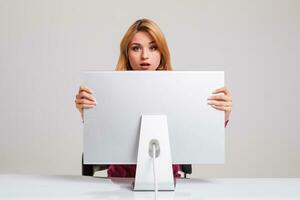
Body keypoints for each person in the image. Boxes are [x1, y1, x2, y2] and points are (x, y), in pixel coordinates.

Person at [75, 18, 233, 178]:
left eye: (153, 48)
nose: (145, 56)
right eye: (136, 48)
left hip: (169, 183)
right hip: (118, 182)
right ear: (127, 53)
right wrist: (87, 114)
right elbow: (104, 139)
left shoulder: (181, 91)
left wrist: (221, 116)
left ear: (162, 52)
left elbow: (197, 135)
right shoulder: (109, 91)